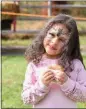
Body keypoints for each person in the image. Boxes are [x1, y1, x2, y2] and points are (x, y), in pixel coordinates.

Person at [21, 14, 86, 108]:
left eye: (62, 39)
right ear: (44, 34)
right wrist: (42, 84)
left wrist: (67, 82)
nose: (54, 42)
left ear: (70, 44)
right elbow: (26, 99)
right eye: (51, 34)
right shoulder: (35, 64)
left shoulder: (75, 65)